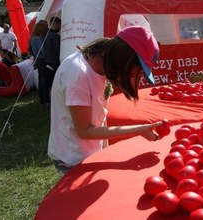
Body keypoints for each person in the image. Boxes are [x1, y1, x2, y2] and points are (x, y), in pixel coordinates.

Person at [48, 26, 163, 176]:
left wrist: (105, 151)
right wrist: (139, 130)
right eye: (135, 70)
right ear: (123, 57)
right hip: (72, 157)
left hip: (90, 152)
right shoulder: (77, 75)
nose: (134, 76)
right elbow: (84, 131)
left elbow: (100, 114)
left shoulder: (101, 67)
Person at [29, 21, 49, 105]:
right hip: (42, 60)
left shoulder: (32, 38)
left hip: (38, 60)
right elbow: (43, 51)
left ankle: (42, 99)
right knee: (44, 81)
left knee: (41, 80)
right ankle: (45, 100)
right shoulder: (38, 39)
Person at [43, 17, 61, 104]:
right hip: (54, 63)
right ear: (56, 24)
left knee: (50, 84)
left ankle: (51, 102)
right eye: (60, 25)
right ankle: (54, 102)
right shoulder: (55, 37)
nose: (60, 27)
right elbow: (58, 50)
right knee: (55, 84)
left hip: (47, 61)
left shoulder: (45, 35)